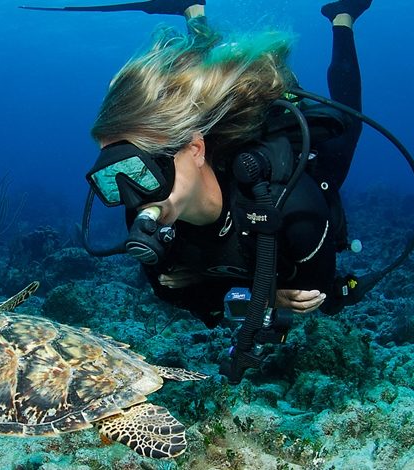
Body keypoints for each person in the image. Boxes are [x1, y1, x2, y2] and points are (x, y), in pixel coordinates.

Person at [84, 0, 374, 328]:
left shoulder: (287, 200)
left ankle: (342, 17)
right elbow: (169, 294)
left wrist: (212, 285)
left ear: (195, 148)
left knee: (349, 125)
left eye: (144, 167)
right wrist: (266, 295)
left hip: (306, 165)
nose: (135, 197)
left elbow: (313, 289)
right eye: (115, 175)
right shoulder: (149, 204)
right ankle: (193, 11)